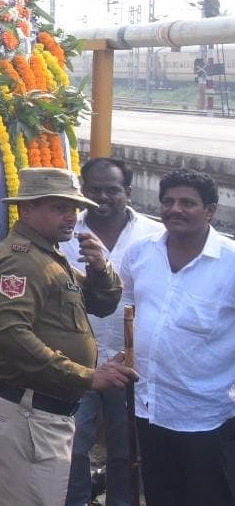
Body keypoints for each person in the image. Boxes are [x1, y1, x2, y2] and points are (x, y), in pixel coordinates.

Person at [0, 167, 135, 506]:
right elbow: (11, 337)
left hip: (43, 412)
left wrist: (99, 268)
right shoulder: (22, 262)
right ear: (28, 209)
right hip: (29, 412)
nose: (71, 216)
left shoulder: (47, 253)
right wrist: (88, 377)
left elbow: (101, 303)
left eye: (74, 208)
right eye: (59, 207)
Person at [114, 169, 235, 506]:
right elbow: (127, 301)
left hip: (208, 417)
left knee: (210, 496)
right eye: (167, 202)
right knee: (161, 495)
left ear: (209, 210)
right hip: (149, 406)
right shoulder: (141, 253)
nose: (175, 209)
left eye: (187, 203)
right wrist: (124, 352)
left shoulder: (230, 263)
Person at [57, 158, 164, 506]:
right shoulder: (64, 232)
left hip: (131, 363)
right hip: (77, 360)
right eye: (94, 190)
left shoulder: (154, 235)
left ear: (128, 192)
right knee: (71, 445)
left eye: (112, 190)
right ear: (82, 191)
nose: (102, 197)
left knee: (127, 449)